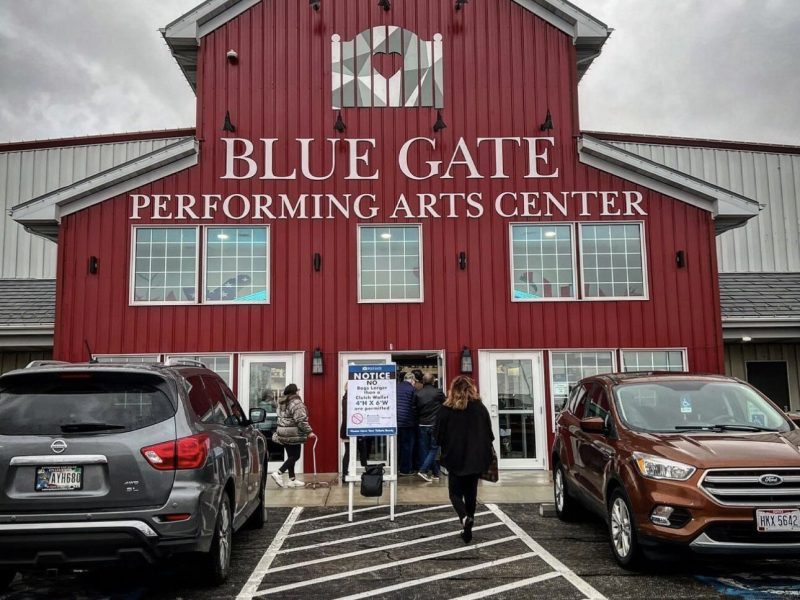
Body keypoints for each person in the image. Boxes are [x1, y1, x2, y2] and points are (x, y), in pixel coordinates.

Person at [436, 375, 494, 544]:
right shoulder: (480, 408)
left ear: (452, 389)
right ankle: (469, 523)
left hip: (454, 456)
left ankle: (464, 517)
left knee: (454, 493)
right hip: (476, 457)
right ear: (471, 388)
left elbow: (438, 435)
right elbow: (489, 434)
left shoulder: (446, 409)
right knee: (471, 492)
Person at [271, 383, 315, 488]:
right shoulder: (296, 403)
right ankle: (278, 473)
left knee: (291, 456)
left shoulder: (282, 402)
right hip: (293, 433)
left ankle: (292, 480)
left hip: (283, 432)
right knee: (295, 456)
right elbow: (300, 420)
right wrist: (309, 432)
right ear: (295, 391)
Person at [414, 372, 445, 482]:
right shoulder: (438, 392)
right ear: (433, 381)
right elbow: (446, 404)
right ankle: (423, 470)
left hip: (422, 424)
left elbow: (414, 409)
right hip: (435, 425)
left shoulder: (417, 393)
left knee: (427, 450)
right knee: (434, 449)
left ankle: (436, 473)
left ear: (423, 381)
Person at [340, 387, 370, 481]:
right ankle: (366, 471)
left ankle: (345, 474)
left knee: (349, 452)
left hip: (346, 429)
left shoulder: (345, 399)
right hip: (354, 428)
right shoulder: (352, 399)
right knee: (362, 450)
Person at [396, 371, 417, 475]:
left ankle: (394, 467)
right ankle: (405, 470)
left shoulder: (395, 387)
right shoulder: (412, 389)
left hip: (395, 421)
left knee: (396, 445)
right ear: (412, 380)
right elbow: (414, 406)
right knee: (407, 446)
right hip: (407, 422)